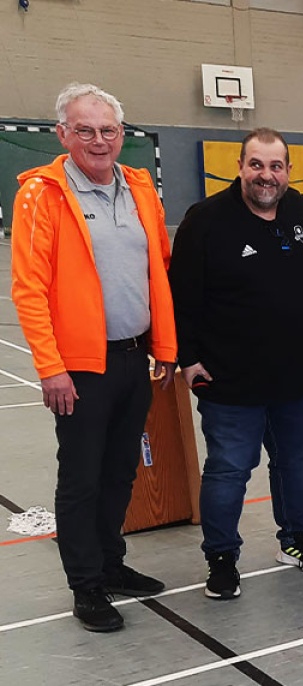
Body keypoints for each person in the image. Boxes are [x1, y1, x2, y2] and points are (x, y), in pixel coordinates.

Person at [11, 83, 177, 632]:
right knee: (81, 478)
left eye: (108, 130)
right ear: (62, 134)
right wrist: (51, 368)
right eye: (84, 129)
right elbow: (29, 289)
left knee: (121, 471)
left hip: (134, 358)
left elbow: (161, 269)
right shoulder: (41, 193)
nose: (98, 140)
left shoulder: (140, 187)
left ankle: (111, 563)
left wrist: (165, 348)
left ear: (122, 135)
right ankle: (86, 585)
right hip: (80, 368)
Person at [171, 128, 303, 600]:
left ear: (288, 171)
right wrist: (187, 358)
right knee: (228, 470)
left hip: (297, 376)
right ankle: (221, 559)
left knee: (293, 463)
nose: (266, 176)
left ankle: (296, 540)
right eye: (256, 165)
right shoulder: (204, 220)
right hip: (228, 378)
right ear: (239, 166)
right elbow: (181, 296)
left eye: (276, 166)